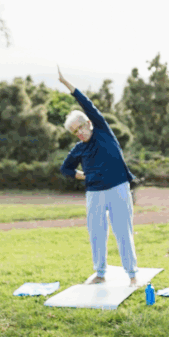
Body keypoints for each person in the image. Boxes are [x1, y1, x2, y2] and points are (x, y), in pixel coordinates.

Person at [58, 66, 139, 286]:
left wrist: (67, 84)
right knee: (97, 234)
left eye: (81, 127)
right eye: (75, 131)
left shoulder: (102, 130)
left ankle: (132, 275)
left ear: (89, 123)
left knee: (123, 231)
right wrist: (82, 176)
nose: (80, 133)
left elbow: (87, 104)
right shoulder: (78, 149)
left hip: (118, 188)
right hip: (94, 193)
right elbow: (65, 169)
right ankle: (100, 273)